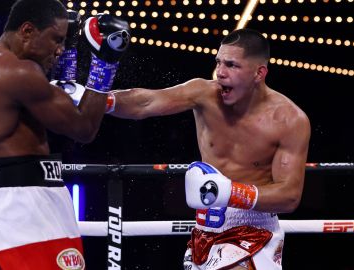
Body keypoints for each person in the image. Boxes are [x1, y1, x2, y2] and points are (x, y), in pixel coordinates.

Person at [108, 28, 310, 269]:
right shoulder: (204, 95)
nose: (221, 73)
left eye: (232, 65)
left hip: (254, 230)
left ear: (259, 73)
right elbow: (146, 102)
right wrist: (94, 100)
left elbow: (289, 197)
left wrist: (230, 192)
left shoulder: (289, 120)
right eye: (218, 62)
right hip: (204, 230)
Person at [0, 0, 130, 268]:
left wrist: (66, 58)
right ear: (27, 31)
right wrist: (105, 61)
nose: (61, 49)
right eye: (56, 39)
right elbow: (84, 128)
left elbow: (54, 93)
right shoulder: (19, 72)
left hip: (21, 194)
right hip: (23, 200)